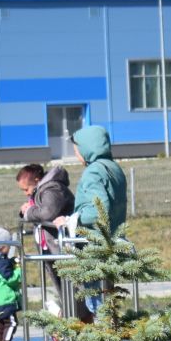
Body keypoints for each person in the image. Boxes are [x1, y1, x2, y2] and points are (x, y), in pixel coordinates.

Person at [68, 125, 127, 325]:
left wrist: (71, 220)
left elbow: (100, 209)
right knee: (106, 299)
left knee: (98, 303)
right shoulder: (113, 168)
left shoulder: (93, 172)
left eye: (77, 149)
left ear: (87, 147)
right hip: (112, 240)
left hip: (95, 245)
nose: (76, 154)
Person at [16, 161, 74, 316]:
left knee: (73, 292)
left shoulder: (52, 189)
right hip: (51, 247)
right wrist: (26, 211)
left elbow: (48, 213)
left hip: (61, 248)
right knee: (64, 292)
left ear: (36, 180)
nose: (26, 193)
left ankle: (76, 321)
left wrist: (29, 212)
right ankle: (70, 320)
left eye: (26, 189)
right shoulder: (41, 191)